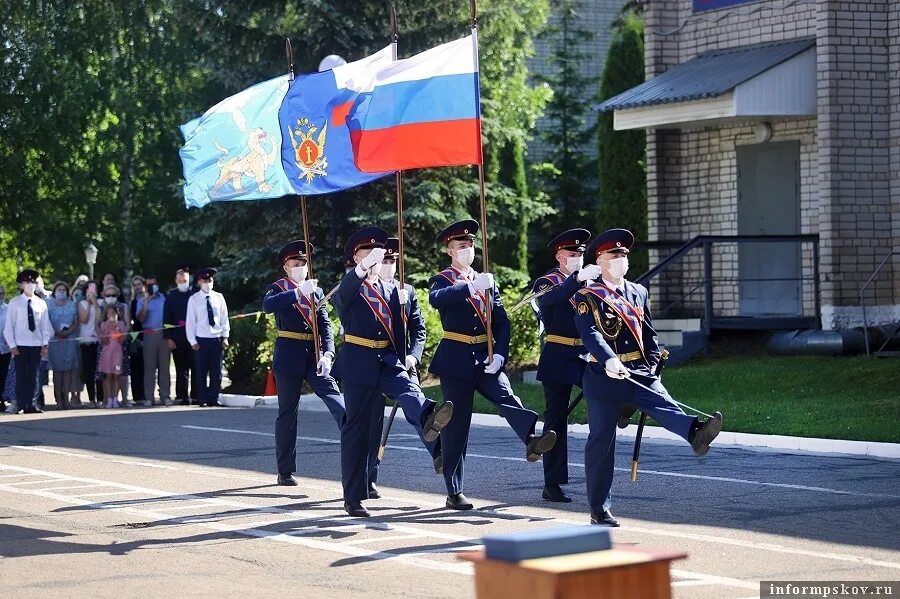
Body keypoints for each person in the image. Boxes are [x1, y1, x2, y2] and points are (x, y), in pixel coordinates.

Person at [573, 229, 723, 527]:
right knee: (601, 442)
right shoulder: (586, 296)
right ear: (599, 260)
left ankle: (696, 433)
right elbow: (589, 332)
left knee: (664, 404)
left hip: (638, 371)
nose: (621, 259)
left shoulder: (638, 292)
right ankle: (599, 508)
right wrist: (608, 359)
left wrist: (653, 362)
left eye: (624, 254)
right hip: (604, 376)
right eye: (614, 255)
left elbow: (648, 333)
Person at [428, 219, 557, 510]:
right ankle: (454, 490)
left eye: (470, 245)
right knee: (457, 426)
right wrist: (470, 287)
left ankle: (532, 438)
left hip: (484, 357)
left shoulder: (487, 279)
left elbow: (501, 322)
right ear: (450, 250)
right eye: (461, 246)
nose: (468, 249)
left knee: (507, 397)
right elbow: (437, 300)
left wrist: (500, 353)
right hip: (456, 359)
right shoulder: (444, 279)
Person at [332, 226, 453, 518]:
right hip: (358, 362)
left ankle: (429, 416)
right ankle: (354, 496)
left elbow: (403, 331)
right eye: (367, 253)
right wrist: (361, 268)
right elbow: (342, 298)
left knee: (410, 390)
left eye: (379, 253)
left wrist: (408, 354)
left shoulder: (392, 290)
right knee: (356, 431)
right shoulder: (348, 287)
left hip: (386, 360)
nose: (375, 257)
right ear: (356, 257)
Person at [263, 240, 346, 486]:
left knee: (336, 399)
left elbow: (325, 325)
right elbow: (268, 306)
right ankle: (285, 470)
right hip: (289, 354)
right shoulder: (278, 288)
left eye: (303, 263)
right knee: (288, 413)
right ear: (286, 267)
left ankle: (356, 442)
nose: (300, 267)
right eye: (295, 263)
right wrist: (298, 293)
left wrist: (329, 353)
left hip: (314, 354)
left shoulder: (317, 291)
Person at [529, 228, 598, 503]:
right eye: (572, 254)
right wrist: (576, 281)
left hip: (583, 353)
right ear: (559, 255)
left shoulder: (589, 282)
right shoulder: (547, 282)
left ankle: (621, 408)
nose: (577, 258)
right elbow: (548, 301)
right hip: (558, 353)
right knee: (556, 420)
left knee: (603, 389)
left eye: (581, 254)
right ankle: (552, 484)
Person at [366, 237, 434, 497]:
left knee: (419, 408)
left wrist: (413, 356)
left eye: (392, 260)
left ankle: (439, 454)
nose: (388, 265)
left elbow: (419, 329)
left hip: (401, 362)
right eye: (384, 260)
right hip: (372, 362)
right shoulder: (365, 288)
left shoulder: (407, 291)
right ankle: (369, 477)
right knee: (373, 424)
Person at [3, 270, 53, 414]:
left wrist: (45, 344)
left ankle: (32, 404)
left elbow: (44, 326)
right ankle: (20, 404)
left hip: (36, 345)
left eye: (33, 282)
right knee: (20, 376)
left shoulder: (41, 304)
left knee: (34, 376)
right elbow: (9, 327)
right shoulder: (15, 303)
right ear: (21, 285)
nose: (30, 285)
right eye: (27, 282)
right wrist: (12, 346)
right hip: (20, 345)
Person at [186, 268, 229, 407]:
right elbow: (191, 322)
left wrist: (225, 336)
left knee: (216, 371)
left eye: (210, 280)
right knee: (201, 370)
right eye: (204, 281)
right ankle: (203, 398)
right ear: (199, 282)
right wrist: (192, 341)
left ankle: (214, 397)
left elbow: (224, 318)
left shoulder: (219, 297)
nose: (207, 283)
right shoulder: (194, 299)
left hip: (216, 338)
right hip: (201, 339)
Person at [46, 281, 81, 410]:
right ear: (54, 291)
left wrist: (69, 332)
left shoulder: (72, 304)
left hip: (69, 340)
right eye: (59, 289)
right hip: (55, 340)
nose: (62, 292)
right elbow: (46, 321)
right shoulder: (48, 305)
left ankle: (66, 399)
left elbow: (76, 321)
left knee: (68, 371)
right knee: (57, 371)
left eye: (64, 290)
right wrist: (57, 333)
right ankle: (58, 400)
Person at [164, 267, 197, 405]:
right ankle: (181, 395)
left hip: (194, 338)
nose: (183, 282)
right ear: (176, 280)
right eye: (180, 280)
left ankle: (195, 395)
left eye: (185, 280)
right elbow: (166, 319)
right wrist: (169, 337)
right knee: (181, 369)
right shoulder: (171, 296)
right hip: (177, 338)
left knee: (195, 367)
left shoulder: (195, 295)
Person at [137, 274, 171, 406]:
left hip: (163, 335)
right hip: (149, 335)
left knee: (164, 367)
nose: (152, 287)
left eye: (154, 284)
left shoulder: (164, 298)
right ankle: (149, 397)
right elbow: (141, 318)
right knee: (149, 368)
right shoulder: (141, 300)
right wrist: (146, 301)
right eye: (149, 285)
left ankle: (165, 396)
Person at [77, 281, 103, 407]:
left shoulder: (101, 303)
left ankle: (101, 398)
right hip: (86, 341)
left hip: (98, 340)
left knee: (99, 370)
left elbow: (99, 321)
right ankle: (91, 398)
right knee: (89, 371)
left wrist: (96, 304)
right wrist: (88, 303)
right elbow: (84, 319)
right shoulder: (81, 304)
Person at [98, 305, 126, 408]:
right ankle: (109, 398)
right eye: (109, 314)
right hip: (107, 355)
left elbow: (122, 339)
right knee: (108, 375)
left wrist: (116, 327)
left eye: (113, 314)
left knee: (116, 375)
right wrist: (108, 327)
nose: (111, 316)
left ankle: (115, 398)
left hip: (117, 355)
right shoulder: (104, 324)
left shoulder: (121, 324)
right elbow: (103, 339)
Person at [128, 275, 146, 405]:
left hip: (149, 335)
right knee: (136, 366)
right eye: (135, 285)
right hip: (136, 337)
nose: (137, 287)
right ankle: (137, 396)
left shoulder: (150, 299)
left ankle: (146, 394)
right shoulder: (133, 302)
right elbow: (132, 322)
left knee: (147, 367)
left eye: (139, 284)